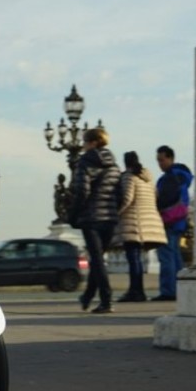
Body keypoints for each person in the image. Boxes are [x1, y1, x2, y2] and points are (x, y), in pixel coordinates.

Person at [71, 128, 121, 314]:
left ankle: (106, 299)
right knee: (98, 258)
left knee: (97, 260)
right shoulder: (114, 166)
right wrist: (114, 211)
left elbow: (81, 191)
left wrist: (74, 214)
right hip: (110, 218)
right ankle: (88, 296)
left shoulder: (85, 163)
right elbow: (120, 193)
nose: (83, 146)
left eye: (85, 142)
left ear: (92, 142)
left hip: (91, 218)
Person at [112, 151, 167, 302]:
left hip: (134, 222)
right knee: (137, 259)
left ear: (125, 163)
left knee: (133, 258)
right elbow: (156, 197)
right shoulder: (148, 178)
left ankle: (136, 291)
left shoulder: (129, 177)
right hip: (149, 221)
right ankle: (138, 290)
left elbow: (127, 199)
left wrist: (116, 214)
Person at [153, 145, 193, 302]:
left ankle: (168, 290)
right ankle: (179, 289)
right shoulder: (182, 176)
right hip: (179, 220)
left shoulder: (170, 177)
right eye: (158, 160)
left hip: (168, 220)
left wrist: (157, 205)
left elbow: (164, 199)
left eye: (162, 160)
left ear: (170, 158)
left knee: (166, 256)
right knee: (176, 256)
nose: (159, 164)